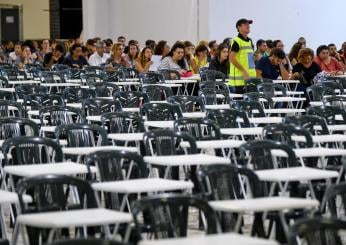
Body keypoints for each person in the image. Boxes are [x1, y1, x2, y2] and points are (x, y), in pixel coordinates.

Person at [229, 18, 256, 93]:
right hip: (239, 81)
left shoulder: (250, 41)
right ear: (238, 27)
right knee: (240, 103)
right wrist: (243, 71)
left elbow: (249, 59)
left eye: (249, 24)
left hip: (251, 78)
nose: (248, 26)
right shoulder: (236, 41)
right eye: (245, 24)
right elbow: (231, 58)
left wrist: (255, 57)